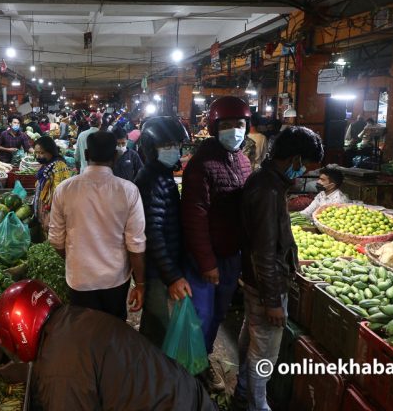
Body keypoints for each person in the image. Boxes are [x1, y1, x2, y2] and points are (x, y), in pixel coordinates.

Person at [0, 280, 218, 411]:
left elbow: (64, 380)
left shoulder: (60, 371)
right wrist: (7, 374)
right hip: (185, 394)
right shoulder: (72, 319)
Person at [235, 126, 324, 411]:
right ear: (295, 159)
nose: (304, 174)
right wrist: (273, 300)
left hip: (256, 281)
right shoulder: (268, 190)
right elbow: (264, 250)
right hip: (265, 285)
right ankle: (257, 405)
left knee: (252, 335)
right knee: (264, 354)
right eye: (305, 166)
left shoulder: (267, 181)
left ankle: (242, 390)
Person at [181, 96, 252, 391]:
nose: (235, 130)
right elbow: (194, 218)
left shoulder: (244, 161)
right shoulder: (201, 166)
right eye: (227, 124)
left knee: (219, 312)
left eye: (240, 124)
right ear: (214, 127)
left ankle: (203, 358)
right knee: (203, 315)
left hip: (231, 255)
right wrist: (207, 262)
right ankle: (194, 368)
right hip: (205, 257)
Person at [48, 131, 146, 320]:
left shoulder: (64, 189)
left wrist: (75, 259)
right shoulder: (128, 191)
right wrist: (140, 284)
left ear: (86, 155)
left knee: (85, 333)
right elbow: (136, 244)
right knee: (113, 330)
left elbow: (56, 240)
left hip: (79, 279)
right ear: (116, 156)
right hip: (115, 279)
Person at [134, 117, 192, 347]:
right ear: (150, 148)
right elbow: (154, 233)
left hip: (162, 267)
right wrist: (172, 276)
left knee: (156, 325)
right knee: (158, 328)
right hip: (156, 270)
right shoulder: (150, 179)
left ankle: (153, 372)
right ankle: (155, 374)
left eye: (177, 145)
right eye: (167, 146)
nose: (174, 151)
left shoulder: (163, 175)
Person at [33, 136, 71, 241]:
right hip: (44, 215)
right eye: (36, 153)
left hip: (52, 217)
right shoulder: (47, 165)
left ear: (50, 151)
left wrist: (49, 216)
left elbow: (59, 195)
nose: (38, 156)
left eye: (41, 153)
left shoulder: (59, 166)